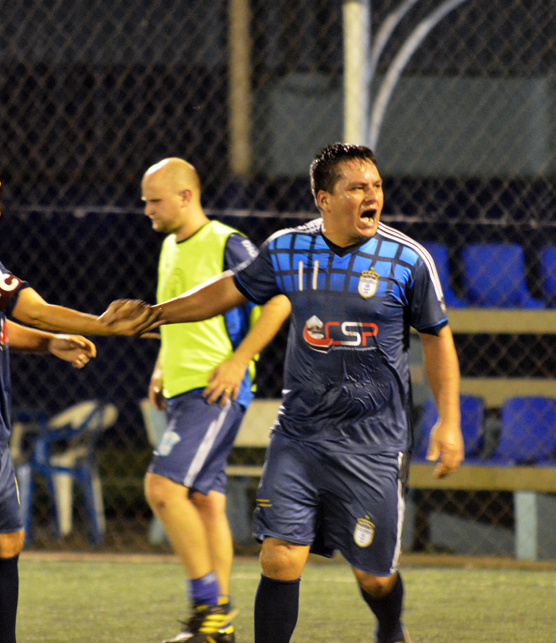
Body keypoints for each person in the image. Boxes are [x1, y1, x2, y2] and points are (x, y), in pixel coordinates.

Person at [110, 144, 464, 643]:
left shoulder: (407, 260)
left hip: (373, 443)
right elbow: (229, 288)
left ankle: (390, 627)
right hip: (299, 435)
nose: (373, 196)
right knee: (278, 558)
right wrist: (157, 313)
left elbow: (437, 337)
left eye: (377, 186)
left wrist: (448, 422)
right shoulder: (287, 249)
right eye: (358, 188)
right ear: (323, 198)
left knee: (374, 576)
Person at [0, 138, 158, 643]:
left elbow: (3, 325)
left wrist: (50, 342)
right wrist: (103, 324)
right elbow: (27, 306)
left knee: (8, 540)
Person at [141, 158, 291, 643]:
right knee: (205, 501)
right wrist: (162, 367)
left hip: (215, 389)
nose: (147, 210)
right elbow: (177, 318)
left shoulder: (228, 242)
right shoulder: (168, 247)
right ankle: (217, 629)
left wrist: (238, 360)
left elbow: (280, 299)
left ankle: (208, 607)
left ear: (187, 197)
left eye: (155, 201)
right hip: (184, 391)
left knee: (163, 489)